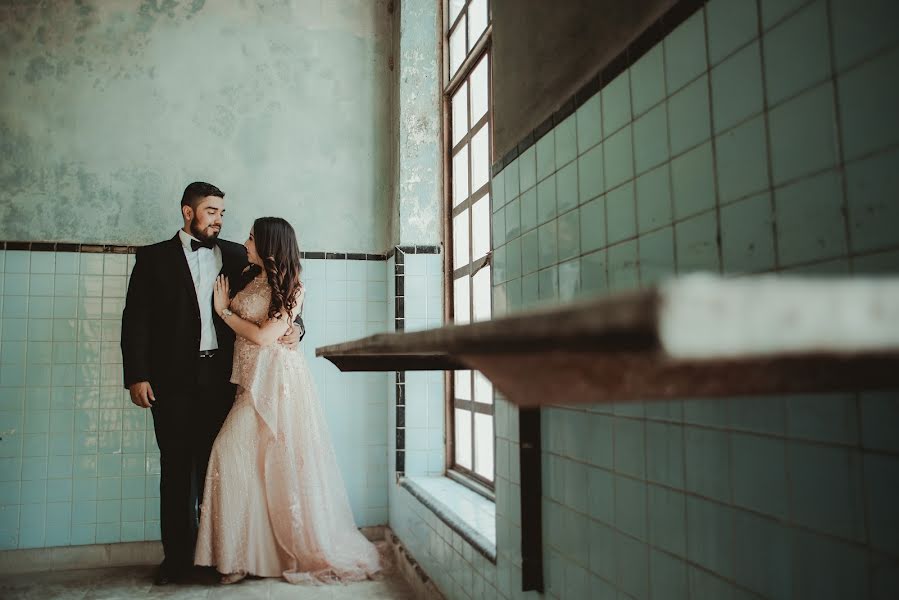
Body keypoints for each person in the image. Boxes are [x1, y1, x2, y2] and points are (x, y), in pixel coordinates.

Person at [120, 182, 301, 585]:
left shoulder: (239, 254)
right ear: (188, 212)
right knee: (176, 469)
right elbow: (136, 320)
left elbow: (280, 292)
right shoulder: (153, 259)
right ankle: (177, 561)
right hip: (170, 382)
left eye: (222, 212)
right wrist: (137, 375)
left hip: (224, 381)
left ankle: (218, 557)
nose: (220, 219)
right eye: (212, 211)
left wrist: (297, 329)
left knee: (219, 469)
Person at [194, 217, 381, 584]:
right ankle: (246, 557)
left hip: (275, 382)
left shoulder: (294, 287)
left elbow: (266, 337)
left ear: (268, 244)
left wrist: (225, 312)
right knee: (249, 466)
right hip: (246, 382)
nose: (245, 242)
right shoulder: (251, 275)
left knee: (236, 456)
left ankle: (241, 559)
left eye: (251, 237)